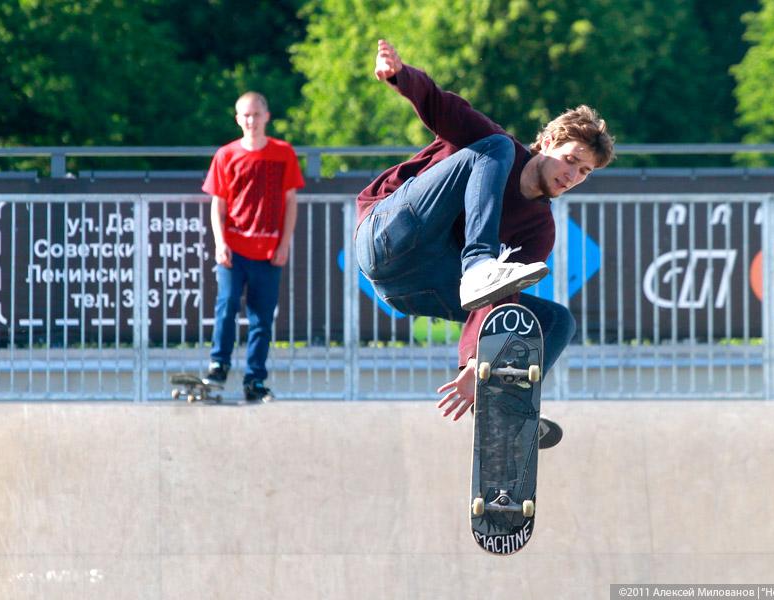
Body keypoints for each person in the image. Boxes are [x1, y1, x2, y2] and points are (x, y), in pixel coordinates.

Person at [355, 40, 614, 444]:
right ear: (547, 142)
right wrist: (400, 77)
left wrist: (475, 364)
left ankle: (502, 406)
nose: (572, 176)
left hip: (416, 286)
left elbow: (500, 299)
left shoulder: (539, 229)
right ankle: (478, 262)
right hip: (387, 234)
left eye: (584, 172)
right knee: (491, 150)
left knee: (555, 320)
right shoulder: (495, 145)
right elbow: (442, 107)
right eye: (570, 160)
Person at [201, 91, 305, 402]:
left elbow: (290, 202)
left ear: (266, 117)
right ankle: (219, 364)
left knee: (261, 318)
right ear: (237, 119)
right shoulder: (226, 155)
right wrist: (220, 243)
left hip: (269, 251)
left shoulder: (283, 153)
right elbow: (217, 205)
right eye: (245, 115)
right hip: (234, 248)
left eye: (256, 115)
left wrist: (284, 243)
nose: (251, 121)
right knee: (228, 303)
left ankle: (255, 380)